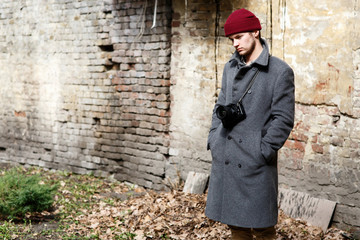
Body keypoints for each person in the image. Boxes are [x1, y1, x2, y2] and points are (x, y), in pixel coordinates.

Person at [205, 8, 295, 240]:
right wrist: (215, 138)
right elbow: (220, 106)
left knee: (263, 226)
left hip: (255, 160)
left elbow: (283, 118)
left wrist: (262, 149)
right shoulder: (230, 68)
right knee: (236, 225)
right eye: (231, 39)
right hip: (227, 152)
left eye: (239, 37)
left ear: (255, 32)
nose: (235, 44)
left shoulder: (280, 71)